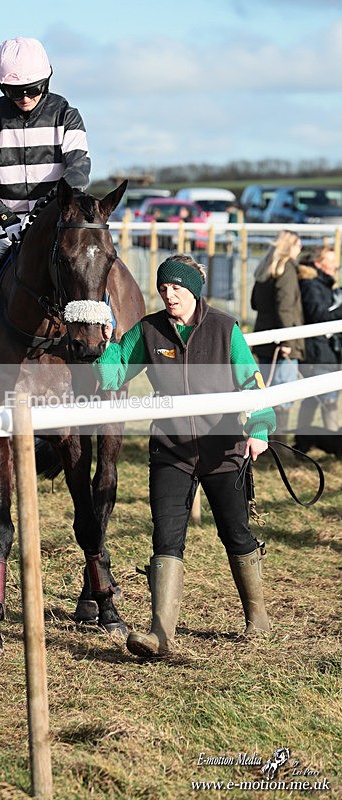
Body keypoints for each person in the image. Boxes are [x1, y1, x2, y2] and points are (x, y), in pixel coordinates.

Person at [93, 254, 276, 659]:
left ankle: (257, 619)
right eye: (163, 288)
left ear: (193, 289)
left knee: (235, 532)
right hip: (171, 449)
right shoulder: (148, 331)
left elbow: (252, 381)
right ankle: (160, 633)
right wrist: (106, 346)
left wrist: (259, 426)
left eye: (176, 288)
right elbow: (113, 376)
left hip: (223, 448)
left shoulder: (225, 328)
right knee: (166, 537)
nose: (169, 295)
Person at [0, 36, 91, 378]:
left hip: (56, 218)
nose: (25, 98)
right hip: (7, 220)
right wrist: (6, 219)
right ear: (1, 87)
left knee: (90, 261)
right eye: (15, 92)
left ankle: (106, 338)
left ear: (47, 80)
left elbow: (78, 169)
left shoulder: (66, 115)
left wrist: (47, 208)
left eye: (34, 88)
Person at [250, 230, 305, 440]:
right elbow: (285, 308)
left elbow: (254, 303)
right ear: (289, 247)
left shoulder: (264, 269)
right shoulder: (287, 270)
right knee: (283, 395)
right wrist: (288, 340)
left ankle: (265, 439)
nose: (299, 251)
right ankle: (279, 445)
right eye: (298, 246)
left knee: (267, 393)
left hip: (264, 337)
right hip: (282, 343)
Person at [297, 245, 342, 432]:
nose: (336, 265)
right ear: (318, 263)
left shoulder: (323, 284)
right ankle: (326, 440)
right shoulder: (310, 284)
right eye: (331, 261)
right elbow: (318, 315)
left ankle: (311, 439)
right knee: (322, 397)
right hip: (317, 349)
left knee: (319, 397)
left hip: (326, 347)